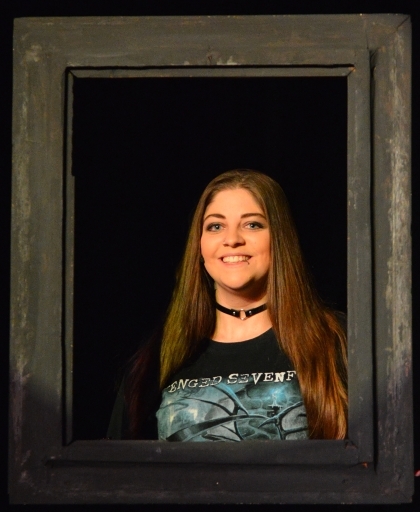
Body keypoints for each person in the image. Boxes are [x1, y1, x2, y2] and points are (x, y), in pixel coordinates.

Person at [107, 169, 347, 441]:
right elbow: (115, 464)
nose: (232, 239)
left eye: (252, 224)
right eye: (215, 226)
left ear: (279, 238)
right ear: (199, 246)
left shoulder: (334, 340)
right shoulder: (156, 359)